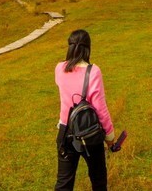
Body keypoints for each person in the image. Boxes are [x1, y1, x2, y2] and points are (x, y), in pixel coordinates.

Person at [55, 29, 116, 191]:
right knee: (98, 180)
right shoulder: (93, 71)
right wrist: (110, 136)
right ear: (88, 48)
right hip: (90, 134)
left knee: (64, 184)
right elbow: (100, 109)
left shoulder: (59, 68)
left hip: (65, 132)